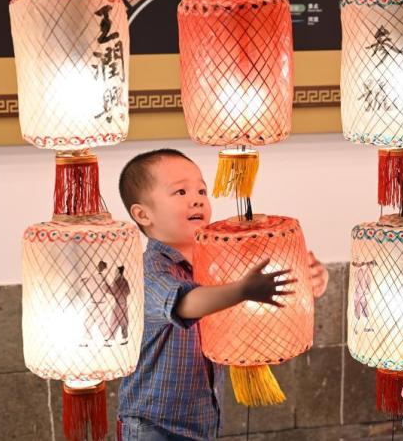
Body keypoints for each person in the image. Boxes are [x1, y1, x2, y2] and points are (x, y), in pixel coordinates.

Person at [117, 149, 329, 440]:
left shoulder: (217, 262)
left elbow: (252, 303)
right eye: (180, 191)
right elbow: (188, 303)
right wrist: (243, 290)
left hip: (202, 419)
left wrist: (308, 280)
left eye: (202, 191)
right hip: (153, 424)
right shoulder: (150, 271)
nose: (197, 199)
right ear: (143, 214)